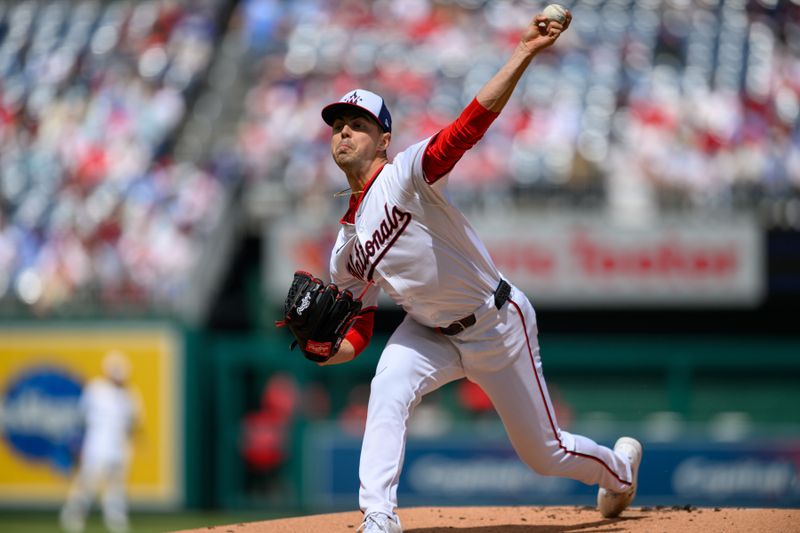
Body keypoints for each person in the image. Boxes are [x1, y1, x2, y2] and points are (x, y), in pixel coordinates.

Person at [315, 9, 643, 533]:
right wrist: (331, 351)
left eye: (359, 125)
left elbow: (466, 128)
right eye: (338, 126)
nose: (345, 132)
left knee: (546, 454)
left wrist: (524, 52)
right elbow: (360, 321)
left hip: (494, 322)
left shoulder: (405, 176)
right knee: (388, 384)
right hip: (428, 331)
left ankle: (620, 471)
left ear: (383, 140)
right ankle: (378, 515)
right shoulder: (343, 249)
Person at [60, 351, 141, 533]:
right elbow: (82, 417)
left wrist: (133, 441)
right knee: (87, 483)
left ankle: (116, 521)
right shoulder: (96, 389)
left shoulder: (130, 394)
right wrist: (77, 443)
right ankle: (73, 515)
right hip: (97, 444)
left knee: (116, 487)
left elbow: (134, 422)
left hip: (119, 446)